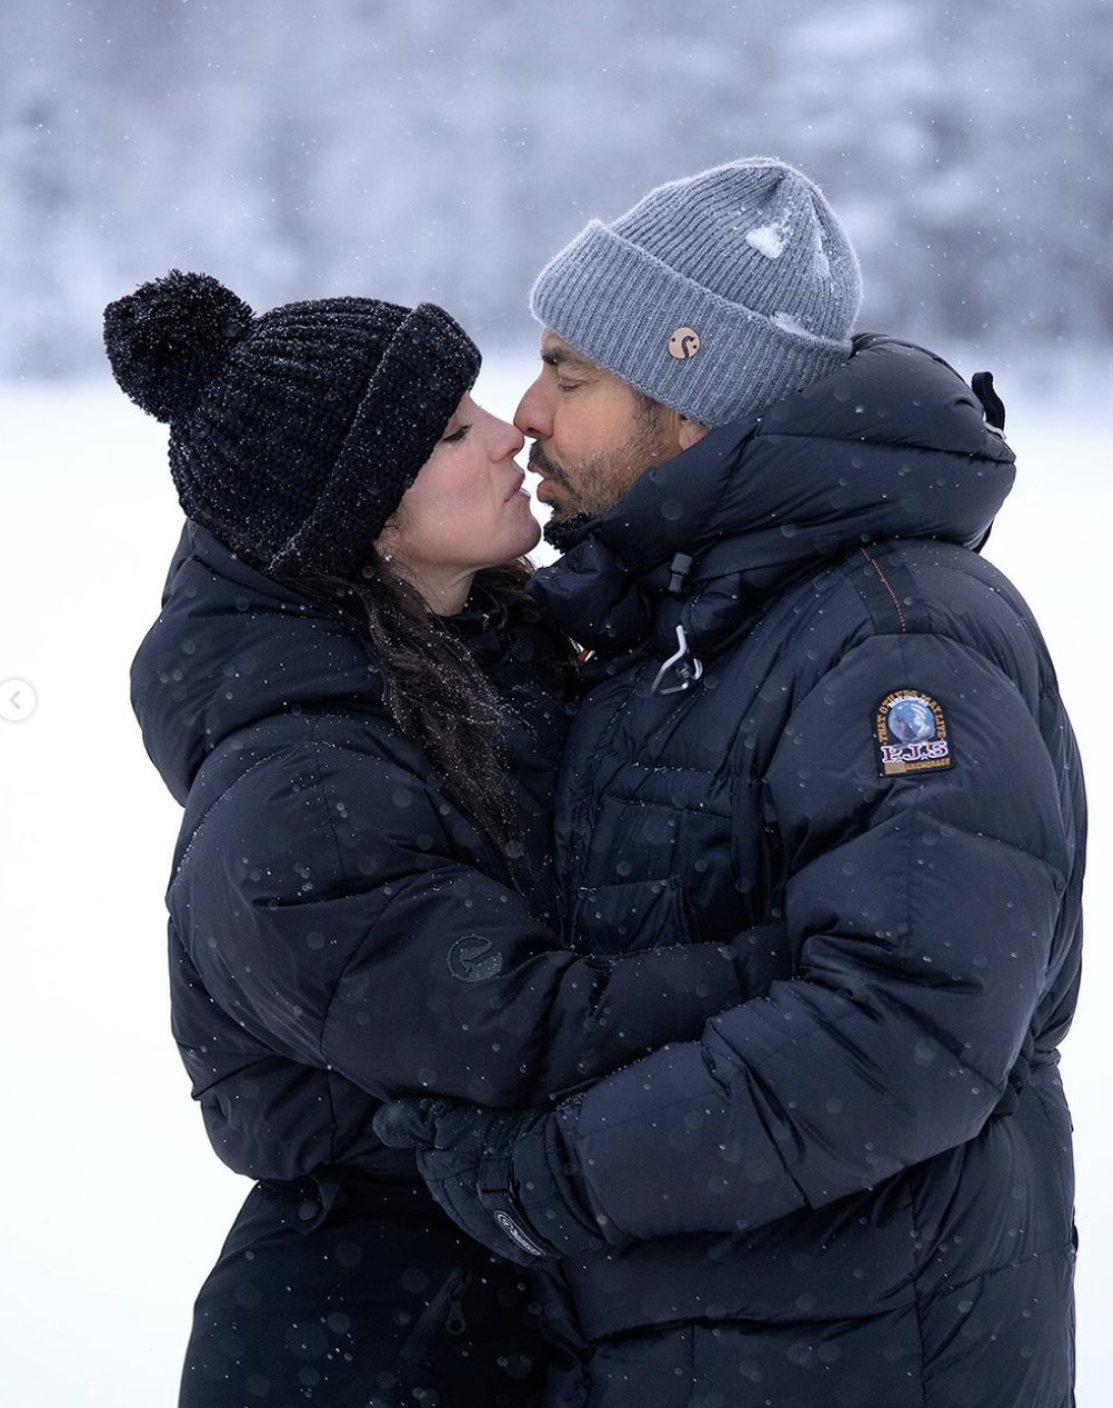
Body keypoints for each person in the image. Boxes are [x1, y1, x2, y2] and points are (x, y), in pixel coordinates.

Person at [379, 159, 1085, 1408]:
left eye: (570, 373)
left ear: (692, 399)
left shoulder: (893, 636)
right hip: (716, 1338)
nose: (526, 413)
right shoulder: (688, 616)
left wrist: (551, 1179)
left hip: (853, 1350)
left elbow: (905, 1027)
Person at [108, 271, 785, 1408]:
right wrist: (812, 968)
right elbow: (526, 1029)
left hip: (503, 1299)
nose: (510, 427)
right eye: (450, 431)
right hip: (370, 1343)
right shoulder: (301, 796)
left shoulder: (477, 657)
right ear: (366, 515)